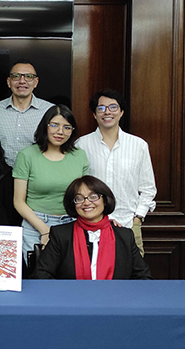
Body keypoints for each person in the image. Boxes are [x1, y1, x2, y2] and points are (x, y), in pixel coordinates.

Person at [76, 89, 156, 256]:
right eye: (101, 108)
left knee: (131, 277)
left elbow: (148, 188)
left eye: (113, 107)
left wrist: (137, 218)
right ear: (94, 114)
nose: (107, 112)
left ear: (121, 112)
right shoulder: (81, 145)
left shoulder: (138, 145)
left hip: (127, 224)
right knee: (93, 275)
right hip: (91, 225)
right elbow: (75, 187)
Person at [32, 176, 152, 279]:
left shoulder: (124, 236)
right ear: (73, 205)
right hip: (72, 302)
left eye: (93, 196)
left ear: (105, 200)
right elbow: (41, 274)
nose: (86, 202)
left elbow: (143, 277)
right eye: (79, 198)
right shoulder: (61, 234)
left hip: (116, 301)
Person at [13, 104, 89, 261]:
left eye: (67, 127)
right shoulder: (27, 155)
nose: (60, 131)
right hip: (35, 225)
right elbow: (18, 202)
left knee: (69, 279)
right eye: (54, 125)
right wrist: (45, 230)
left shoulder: (79, 156)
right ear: (44, 126)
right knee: (37, 278)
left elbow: (86, 195)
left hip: (72, 223)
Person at [0, 59, 53, 168]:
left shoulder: (49, 111)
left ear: (36, 82)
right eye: (16, 76)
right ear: (8, 82)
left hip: (36, 176)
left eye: (29, 76)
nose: (22, 81)